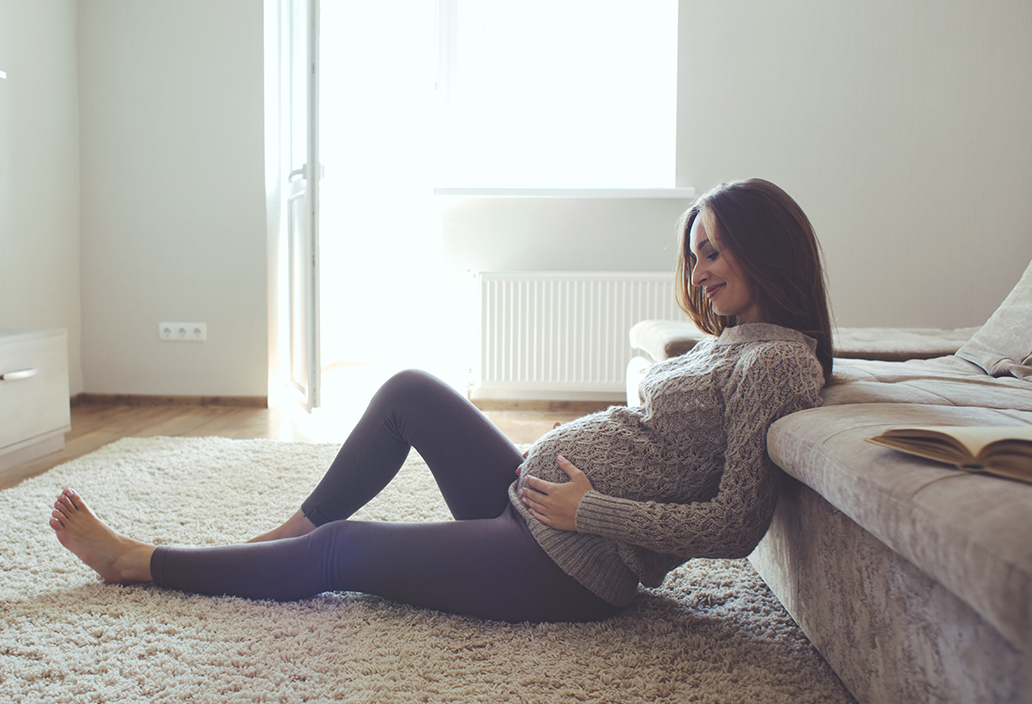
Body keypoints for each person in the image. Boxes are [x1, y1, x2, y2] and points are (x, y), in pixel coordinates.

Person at [50, 178, 832, 624]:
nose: (698, 271)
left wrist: (587, 512)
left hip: (566, 564)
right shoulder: (731, 343)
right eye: (695, 253)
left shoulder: (775, 364)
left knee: (346, 552)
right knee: (409, 391)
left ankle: (136, 563)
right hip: (531, 507)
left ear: (765, 248)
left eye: (714, 250)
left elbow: (735, 524)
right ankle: (286, 530)